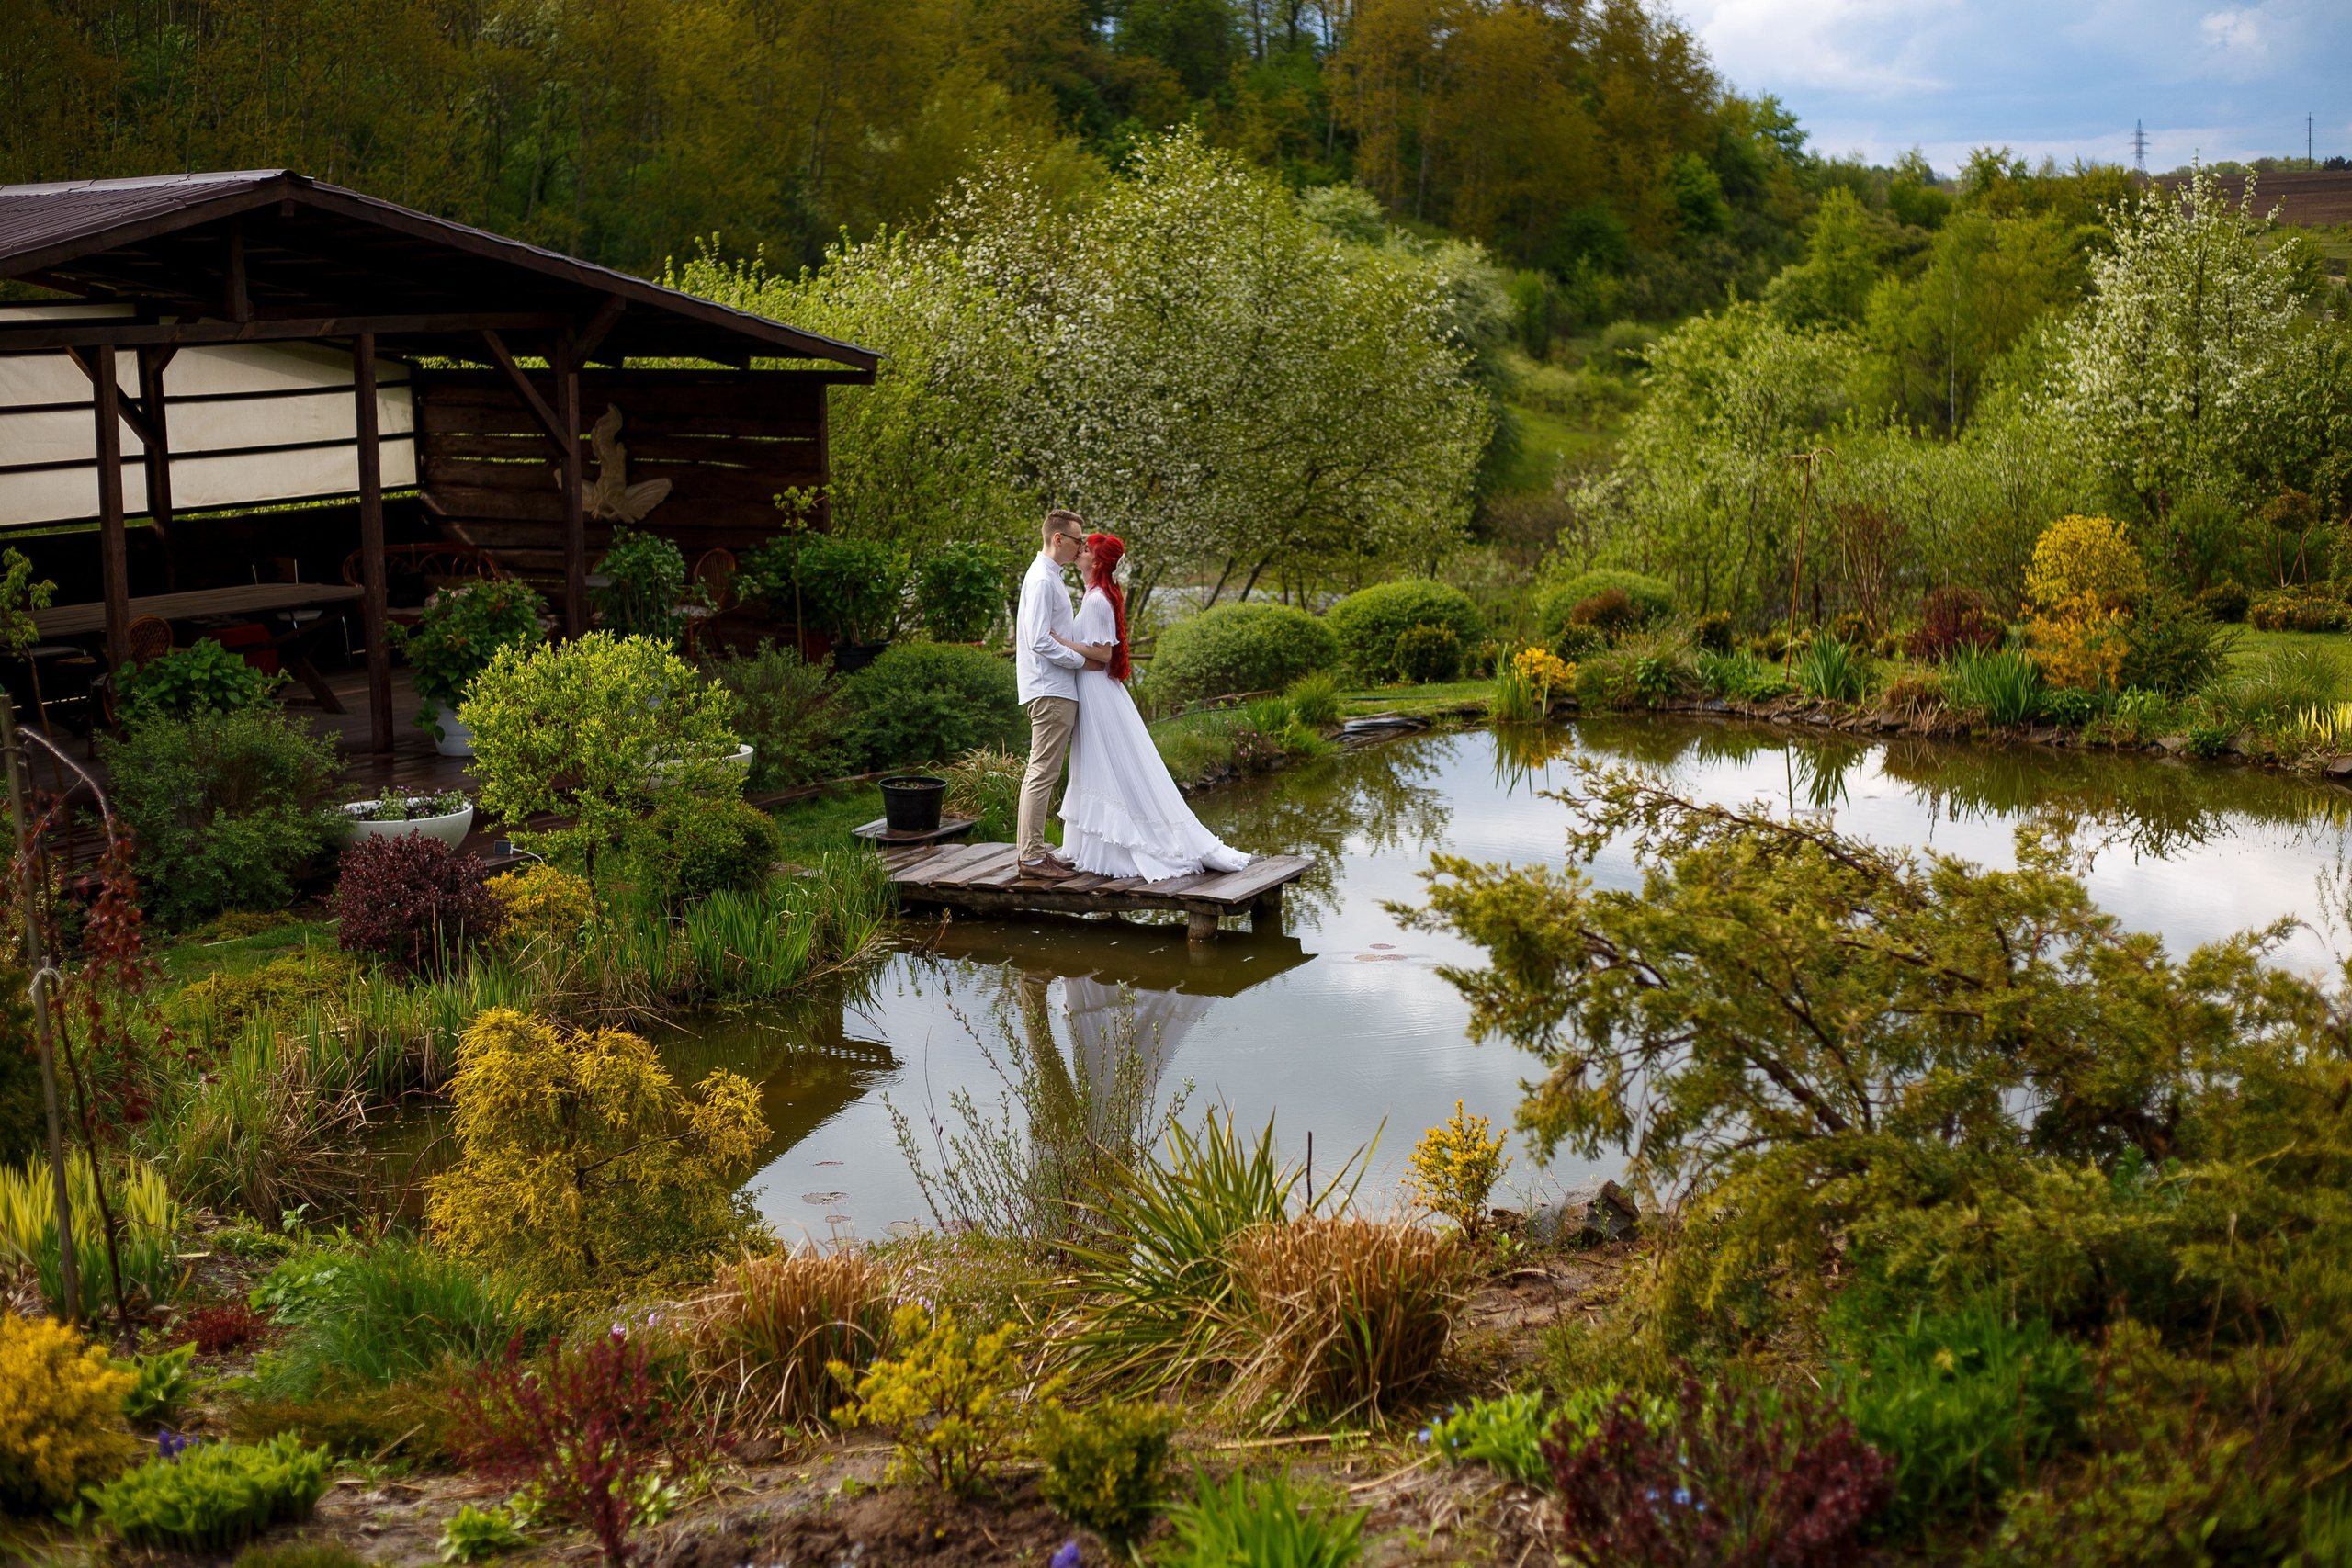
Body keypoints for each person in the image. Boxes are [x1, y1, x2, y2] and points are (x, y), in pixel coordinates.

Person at [1052, 531, 1251, 882]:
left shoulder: (1098, 600)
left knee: (1108, 762)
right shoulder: (1093, 595)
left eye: (1085, 549)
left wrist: (1061, 642)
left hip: (1098, 692)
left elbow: (1103, 653)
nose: (1079, 551)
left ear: (1096, 562)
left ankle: (1125, 843)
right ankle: (1095, 843)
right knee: (1102, 763)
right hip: (1094, 688)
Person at [1014, 509, 1094, 881]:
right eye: (1078, 539)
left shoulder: (1048, 576)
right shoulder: (1043, 579)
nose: (1082, 546)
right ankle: (1030, 859)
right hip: (1050, 689)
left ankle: (1034, 851)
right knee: (1042, 772)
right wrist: (1081, 660)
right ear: (1059, 538)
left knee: (1043, 771)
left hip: (1054, 687)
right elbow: (1038, 640)